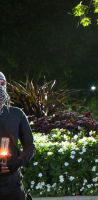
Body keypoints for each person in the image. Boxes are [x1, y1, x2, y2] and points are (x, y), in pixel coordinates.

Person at [0, 71, 35, 200]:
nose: (0, 88)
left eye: (2, 84)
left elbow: (30, 146)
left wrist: (17, 162)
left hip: (12, 182)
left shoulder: (17, 114)